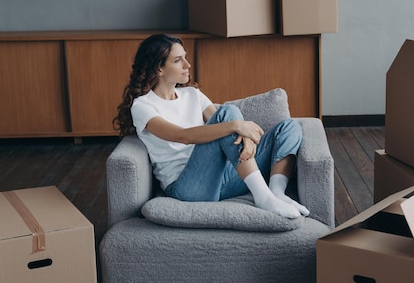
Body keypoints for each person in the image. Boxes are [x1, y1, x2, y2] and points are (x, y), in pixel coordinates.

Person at [113, 33, 308, 219]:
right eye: (177, 60)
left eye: (186, 58)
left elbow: (227, 128)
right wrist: (238, 126)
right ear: (159, 69)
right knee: (229, 113)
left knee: (290, 127)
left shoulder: (192, 94)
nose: (187, 65)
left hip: (223, 180)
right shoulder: (143, 106)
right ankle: (263, 197)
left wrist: (246, 138)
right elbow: (183, 136)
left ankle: (276, 192)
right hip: (186, 187)